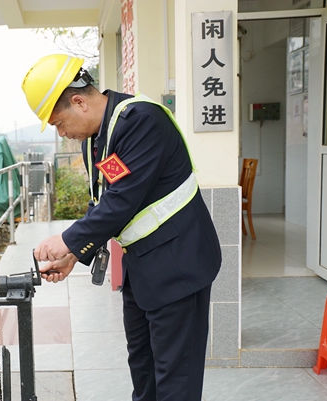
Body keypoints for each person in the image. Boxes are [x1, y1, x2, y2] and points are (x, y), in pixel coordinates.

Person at [21, 54, 222, 401]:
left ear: (79, 102)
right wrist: (74, 254)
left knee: (176, 381)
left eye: (58, 123)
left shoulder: (142, 120)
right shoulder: (99, 137)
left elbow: (122, 201)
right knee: (143, 371)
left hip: (178, 266)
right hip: (142, 270)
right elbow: (104, 199)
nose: (62, 133)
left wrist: (66, 240)